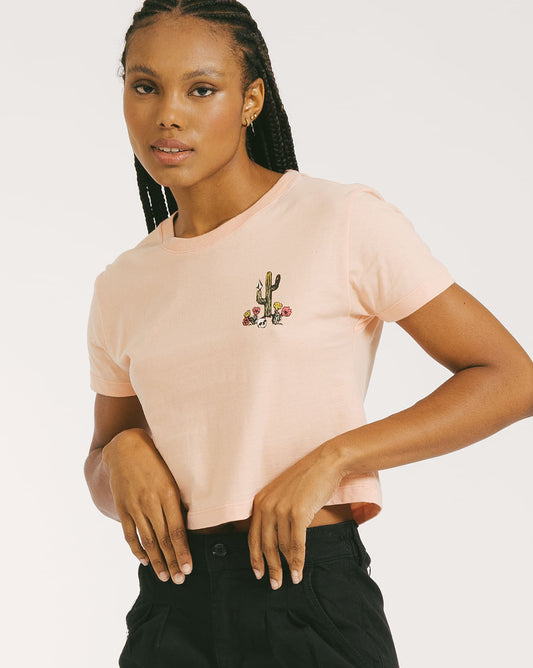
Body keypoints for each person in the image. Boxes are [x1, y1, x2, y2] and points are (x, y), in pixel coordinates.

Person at [83, 1, 533, 666]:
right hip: (170, 611)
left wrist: (333, 461)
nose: (167, 114)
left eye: (201, 89)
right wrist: (119, 451)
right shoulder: (122, 284)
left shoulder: (339, 221)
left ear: (250, 100)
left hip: (304, 591)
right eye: (145, 86)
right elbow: (101, 469)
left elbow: (511, 379)